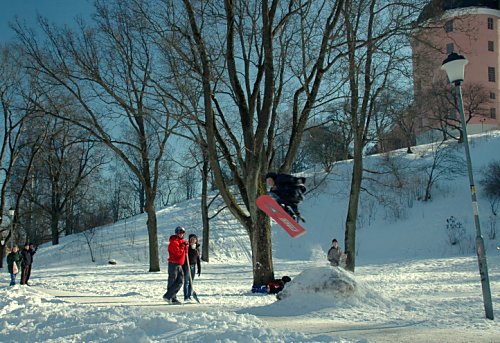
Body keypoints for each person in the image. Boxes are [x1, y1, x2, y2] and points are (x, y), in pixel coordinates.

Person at [163, 226, 188, 304]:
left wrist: (186, 246)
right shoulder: (174, 242)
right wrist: (184, 246)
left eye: (183, 232)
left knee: (180, 281)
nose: (181, 234)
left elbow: (183, 250)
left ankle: (170, 296)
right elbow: (178, 253)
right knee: (172, 281)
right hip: (173, 263)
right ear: (176, 233)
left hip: (179, 264)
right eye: (180, 232)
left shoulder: (181, 241)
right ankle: (170, 297)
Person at [183, 234, 201, 302]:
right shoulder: (187, 247)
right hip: (187, 266)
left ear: (196, 240)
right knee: (186, 282)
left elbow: (198, 259)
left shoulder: (197, 248)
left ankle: (189, 296)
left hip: (193, 266)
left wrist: (199, 269)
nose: (193, 240)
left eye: (194, 239)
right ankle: (186, 297)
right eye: (191, 239)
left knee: (191, 282)